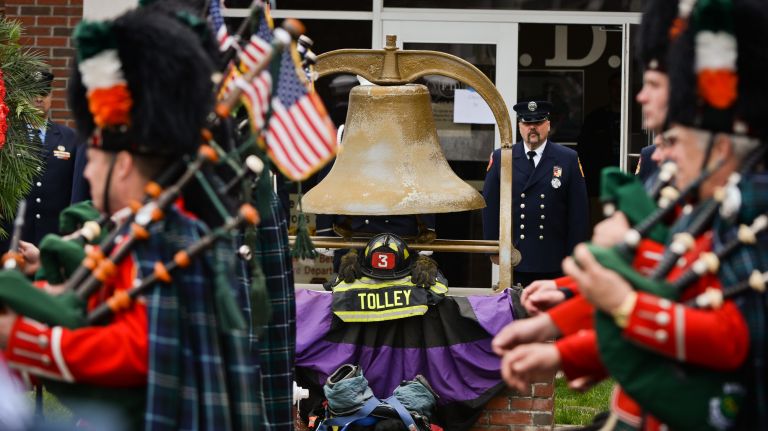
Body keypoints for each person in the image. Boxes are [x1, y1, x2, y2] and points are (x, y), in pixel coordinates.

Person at [0, 8, 259, 429]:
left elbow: (141, 347)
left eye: (94, 160)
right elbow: (104, 305)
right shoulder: (150, 225)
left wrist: (25, 339)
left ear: (122, 165)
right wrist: (48, 288)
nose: (85, 171)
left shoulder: (169, 234)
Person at [482, 99, 589, 287]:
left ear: (548, 124)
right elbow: (490, 206)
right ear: (519, 126)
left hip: (554, 257)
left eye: (538, 123)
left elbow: (578, 212)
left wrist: (576, 254)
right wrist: (493, 247)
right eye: (527, 123)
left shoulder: (567, 158)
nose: (532, 128)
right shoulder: (502, 157)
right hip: (516, 255)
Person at [0, 68, 89, 252]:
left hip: (53, 239)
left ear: (51, 95)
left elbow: (75, 191)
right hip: (11, 241)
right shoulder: (7, 136)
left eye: (44, 92)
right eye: (33, 92)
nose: (39, 98)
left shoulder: (71, 139)